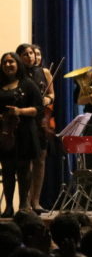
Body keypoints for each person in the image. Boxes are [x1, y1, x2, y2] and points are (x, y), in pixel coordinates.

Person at [0, 53, 43, 216]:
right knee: (7, 170)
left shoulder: (28, 84)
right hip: (4, 132)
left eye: (11, 62)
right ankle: (8, 206)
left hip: (24, 132)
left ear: (18, 64)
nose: (8, 65)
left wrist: (20, 111)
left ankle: (24, 204)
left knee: (24, 170)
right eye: (5, 62)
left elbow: (39, 109)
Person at [16, 44, 52, 215]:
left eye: (32, 53)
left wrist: (47, 100)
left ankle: (36, 201)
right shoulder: (16, 75)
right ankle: (25, 201)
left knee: (40, 161)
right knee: (25, 163)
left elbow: (52, 95)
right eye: (26, 54)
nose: (31, 56)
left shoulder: (44, 72)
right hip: (23, 122)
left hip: (40, 121)